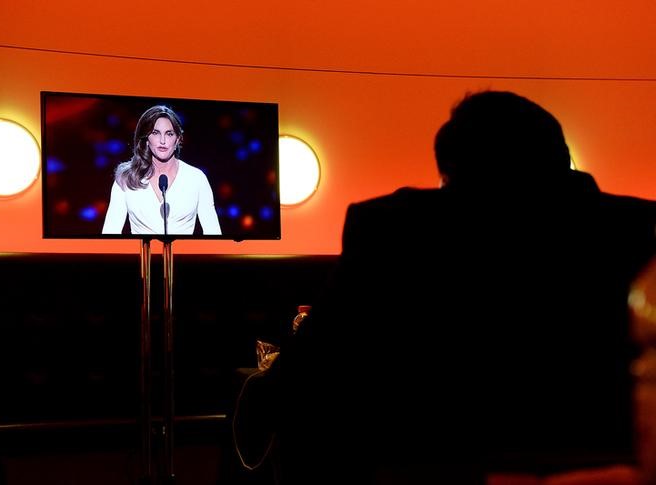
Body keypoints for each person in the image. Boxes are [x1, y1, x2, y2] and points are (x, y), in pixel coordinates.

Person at [266, 90, 656, 484]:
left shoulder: (393, 229)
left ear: (449, 172)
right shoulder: (638, 227)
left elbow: (310, 374)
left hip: (434, 467)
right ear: (560, 155)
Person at [102, 105, 222, 235]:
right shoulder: (127, 178)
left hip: (183, 255)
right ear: (146, 139)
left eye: (169, 134)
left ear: (178, 139)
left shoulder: (196, 179)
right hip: (142, 254)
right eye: (155, 133)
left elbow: (214, 234)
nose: (163, 141)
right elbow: (110, 234)